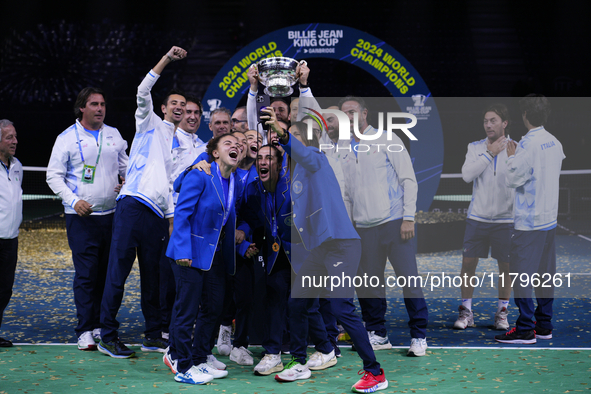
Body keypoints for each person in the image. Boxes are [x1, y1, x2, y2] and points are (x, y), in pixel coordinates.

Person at [263, 108, 388, 392]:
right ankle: (298, 362)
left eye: (294, 136)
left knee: (341, 307)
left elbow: (304, 152)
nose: (285, 141)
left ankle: (375, 372)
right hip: (320, 249)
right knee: (297, 302)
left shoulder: (317, 160)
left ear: (307, 142)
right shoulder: (291, 173)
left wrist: (283, 133)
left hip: (342, 245)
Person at [99, 46, 187, 358]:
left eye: (183, 105)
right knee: (117, 275)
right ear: (162, 108)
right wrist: (166, 58)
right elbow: (143, 88)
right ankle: (107, 335)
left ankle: (152, 335)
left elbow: (171, 188)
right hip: (132, 206)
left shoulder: (177, 143)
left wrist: (172, 220)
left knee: (154, 281)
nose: (179, 108)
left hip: (157, 218)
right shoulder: (148, 122)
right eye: (174, 104)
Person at [339, 96, 429, 356]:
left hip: (394, 223)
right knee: (368, 284)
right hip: (363, 228)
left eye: (353, 112)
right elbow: (346, 194)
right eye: (345, 113)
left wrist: (408, 217)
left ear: (365, 113)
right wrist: (349, 226)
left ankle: (419, 335)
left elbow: (409, 180)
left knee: (409, 280)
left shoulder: (388, 139)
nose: (349, 117)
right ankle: (377, 333)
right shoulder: (343, 148)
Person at [166, 134, 254, 385]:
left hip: (214, 256)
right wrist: (183, 250)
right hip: (189, 254)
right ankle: (183, 365)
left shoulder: (234, 180)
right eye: (228, 144)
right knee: (187, 310)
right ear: (214, 153)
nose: (235, 146)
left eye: (238, 145)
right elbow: (182, 213)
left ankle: (198, 358)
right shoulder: (200, 174)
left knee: (214, 307)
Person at [46, 88, 128, 351]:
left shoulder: (114, 134)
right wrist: (74, 201)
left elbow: (128, 167)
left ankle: (99, 325)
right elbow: (53, 176)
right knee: (86, 274)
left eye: (103, 104)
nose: (100, 108)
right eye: (94, 104)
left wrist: (127, 184)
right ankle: (84, 329)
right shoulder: (66, 138)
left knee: (106, 274)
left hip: (112, 216)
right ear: (82, 107)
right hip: (81, 218)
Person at [495, 94, 565, 344]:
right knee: (545, 275)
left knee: (522, 276)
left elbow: (513, 179)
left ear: (525, 115)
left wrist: (511, 157)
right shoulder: (554, 142)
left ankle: (525, 329)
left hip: (529, 223)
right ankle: (544, 326)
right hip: (549, 221)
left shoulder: (527, 144)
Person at [454, 104, 514, 331]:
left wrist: (511, 156)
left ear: (504, 123)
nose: (488, 125)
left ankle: (502, 312)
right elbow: (467, 176)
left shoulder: (516, 148)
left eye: (493, 120)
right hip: (477, 218)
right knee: (468, 265)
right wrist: (490, 153)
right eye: (486, 121)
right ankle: (466, 311)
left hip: (506, 221)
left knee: (506, 268)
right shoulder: (475, 147)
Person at [0, 119, 21, 348]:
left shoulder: (17, 166)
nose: (14, 141)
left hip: (10, 239)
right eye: (9, 138)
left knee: (4, 289)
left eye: (15, 137)